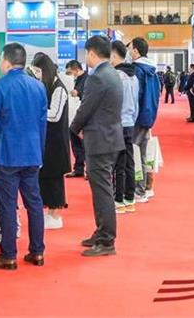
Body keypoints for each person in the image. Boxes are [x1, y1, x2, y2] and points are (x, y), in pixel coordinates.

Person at [0, 43, 47, 270]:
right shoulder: (38, 86)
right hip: (32, 153)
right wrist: (40, 151)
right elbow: (42, 123)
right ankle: (37, 252)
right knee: (35, 203)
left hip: (6, 154)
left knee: (8, 205)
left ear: (7, 61)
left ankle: (8, 255)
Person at [70, 36, 123, 257]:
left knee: (102, 192)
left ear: (91, 53)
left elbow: (86, 108)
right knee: (102, 189)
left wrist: (73, 128)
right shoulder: (112, 73)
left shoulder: (97, 78)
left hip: (100, 140)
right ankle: (101, 232)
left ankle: (106, 239)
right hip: (109, 137)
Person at [31, 53, 71, 230]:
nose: (37, 75)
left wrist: (36, 112)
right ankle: (50, 212)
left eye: (39, 71)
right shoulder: (48, 87)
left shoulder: (59, 88)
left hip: (57, 141)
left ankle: (56, 214)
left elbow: (54, 115)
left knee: (55, 179)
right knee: (46, 177)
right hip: (47, 140)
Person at [128, 38, 160, 200]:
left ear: (136, 51)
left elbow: (135, 96)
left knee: (136, 154)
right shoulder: (152, 70)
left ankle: (139, 190)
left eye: (130, 49)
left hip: (138, 117)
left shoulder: (138, 70)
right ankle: (147, 187)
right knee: (144, 153)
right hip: (148, 115)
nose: (129, 52)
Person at [110, 41, 139, 214]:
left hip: (118, 123)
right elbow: (136, 103)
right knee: (129, 162)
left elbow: (113, 104)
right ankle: (130, 198)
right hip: (129, 123)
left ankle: (118, 199)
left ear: (113, 55)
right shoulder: (134, 77)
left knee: (118, 164)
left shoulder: (116, 76)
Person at [65, 59, 88, 178]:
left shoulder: (88, 79)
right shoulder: (76, 80)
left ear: (76, 69)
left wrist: (77, 92)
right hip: (74, 115)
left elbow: (85, 95)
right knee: (75, 143)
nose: (69, 75)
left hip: (83, 116)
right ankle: (78, 168)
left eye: (70, 72)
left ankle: (88, 170)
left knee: (85, 144)